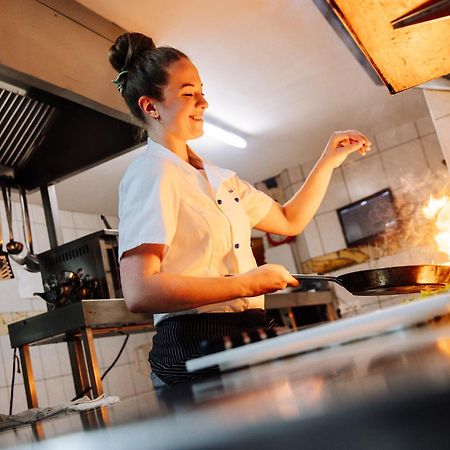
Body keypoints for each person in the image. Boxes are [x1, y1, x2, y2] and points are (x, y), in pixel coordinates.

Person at [109, 32, 371, 387]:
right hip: (195, 344)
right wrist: (245, 284)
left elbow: (288, 221)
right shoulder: (151, 173)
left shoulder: (220, 178)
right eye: (188, 93)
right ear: (151, 107)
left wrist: (328, 161)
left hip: (248, 332)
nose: (203, 102)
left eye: (202, 91)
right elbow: (140, 292)